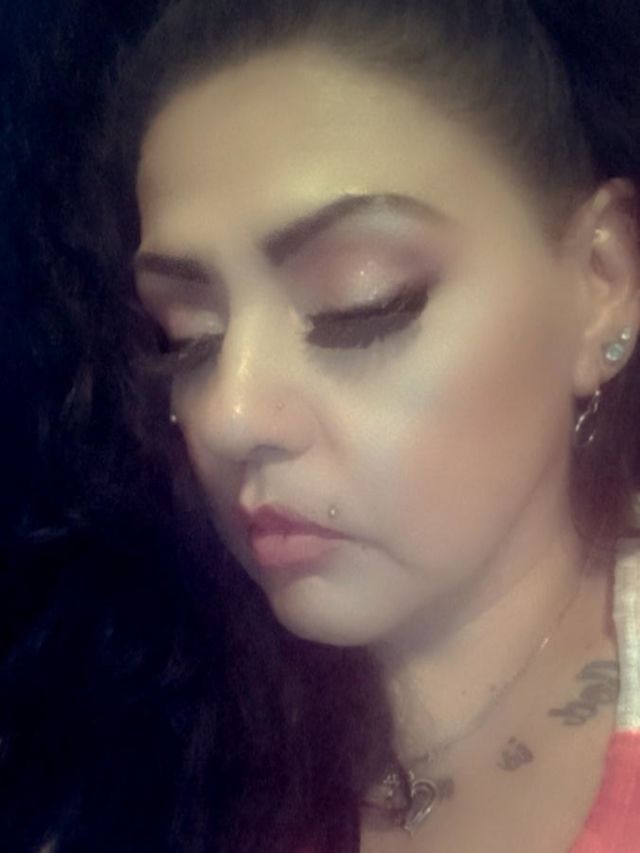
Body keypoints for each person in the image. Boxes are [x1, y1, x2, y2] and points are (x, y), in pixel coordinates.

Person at [28, 0, 640, 850]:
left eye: (360, 304)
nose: (229, 413)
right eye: (187, 338)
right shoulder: (135, 735)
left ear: (601, 281)